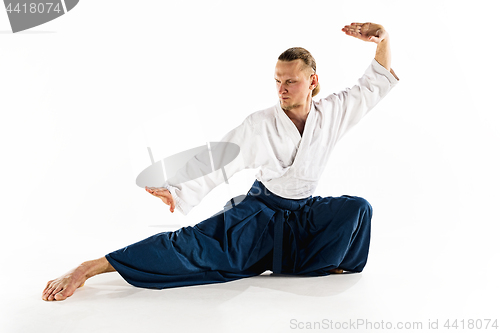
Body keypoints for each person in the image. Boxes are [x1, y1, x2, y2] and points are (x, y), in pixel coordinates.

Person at [42, 22, 399, 301]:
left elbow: (370, 87)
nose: (282, 89)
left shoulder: (332, 113)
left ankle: (311, 262)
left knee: (357, 210)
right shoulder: (260, 124)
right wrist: (178, 189)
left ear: (312, 82)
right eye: (277, 81)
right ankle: (89, 268)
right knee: (189, 246)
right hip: (259, 216)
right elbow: (220, 157)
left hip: (301, 216)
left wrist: (382, 37)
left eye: (291, 81)